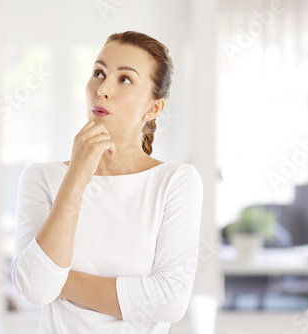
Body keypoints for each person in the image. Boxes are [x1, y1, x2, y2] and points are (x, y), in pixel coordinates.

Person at [11, 31, 204, 333]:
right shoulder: (42, 178)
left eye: (124, 79)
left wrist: (56, 279)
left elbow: (169, 301)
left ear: (153, 108)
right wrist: (76, 176)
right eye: (99, 73)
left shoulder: (176, 182)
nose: (102, 89)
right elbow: (34, 290)